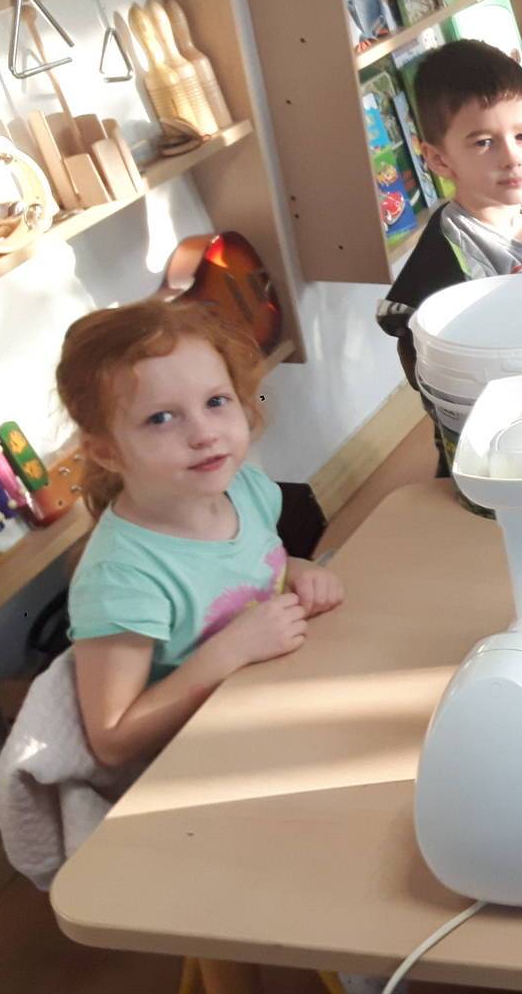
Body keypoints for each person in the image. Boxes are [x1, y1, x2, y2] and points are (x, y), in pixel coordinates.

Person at [56, 301, 342, 768]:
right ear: (106, 451)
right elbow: (113, 742)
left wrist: (297, 570)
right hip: (203, 762)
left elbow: (246, 572)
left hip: (279, 707)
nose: (204, 433)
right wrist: (232, 650)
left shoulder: (244, 489)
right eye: (161, 418)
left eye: (215, 402)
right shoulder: (121, 578)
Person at [375, 38, 522, 475]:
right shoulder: (449, 249)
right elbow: (411, 334)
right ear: (439, 160)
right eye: (485, 142)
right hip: (488, 436)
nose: (512, 157)